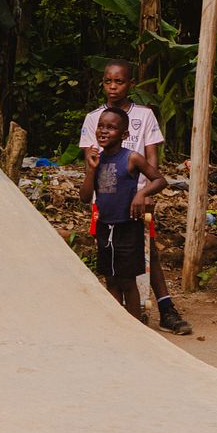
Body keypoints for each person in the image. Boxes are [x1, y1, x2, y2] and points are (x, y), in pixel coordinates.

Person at [80, 58, 192, 335]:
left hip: (139, 197)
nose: (113, 87)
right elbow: (90, 162)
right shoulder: (94, 118)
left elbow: (152, 159)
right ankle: (122, 321)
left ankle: (165, 310)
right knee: (113, 265)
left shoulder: (145, 115)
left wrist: (146, 194)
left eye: (119, 82)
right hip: (107, 200)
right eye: (108, 81)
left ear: (130, 84)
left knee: (147, 253)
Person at [79, 105, 167, 319]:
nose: (103, 131)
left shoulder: (132, 158)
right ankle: (119, 326)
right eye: (101, 126)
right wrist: (91, 169)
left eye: (111, 127)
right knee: (111, 279)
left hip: (128, 227)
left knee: (127, 281)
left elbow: (160, 180)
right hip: (104, 227)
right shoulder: (96, 159)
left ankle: (136, 328)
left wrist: (141, 194)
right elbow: (84, 196)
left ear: (124, 134)